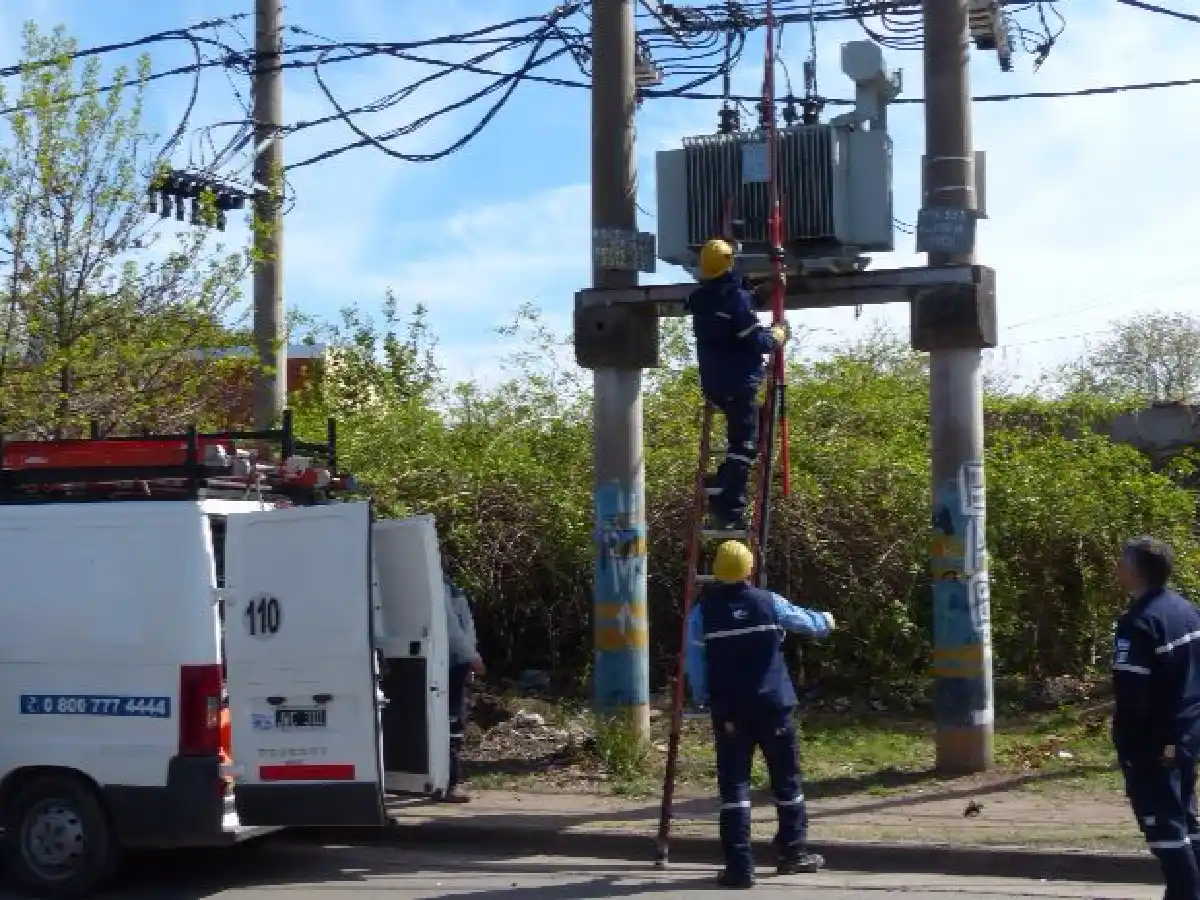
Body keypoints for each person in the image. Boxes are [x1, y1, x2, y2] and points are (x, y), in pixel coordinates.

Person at [684, 540, 835, 888]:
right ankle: (792, 852)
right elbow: (806, 622)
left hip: (731, 711)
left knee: (735, 787)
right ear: (750, 568)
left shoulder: (701, 614)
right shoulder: (770, 603)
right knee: (787, 781)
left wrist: (704, 698)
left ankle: (740, 866)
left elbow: (696, 663)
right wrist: (826, 621)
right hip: (773, 707)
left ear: (716, 574)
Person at [1112, 536, 1200, 899]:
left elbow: (1133, 697)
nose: (1116, 567)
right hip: (1186, 735)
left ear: (1135, 571)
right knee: (1184, 820)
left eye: (1121, 561)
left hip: (1155, 743)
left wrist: (1129, 748)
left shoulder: (1139, 624)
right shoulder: (1185, 610)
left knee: (1165, 831)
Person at [686, 237, 788, 532]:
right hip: (740, 383)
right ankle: (727, 507)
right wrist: (778, 335)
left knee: (743, 437)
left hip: (715, 384)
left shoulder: (699, 299)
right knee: (743, 445)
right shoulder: (735, 300)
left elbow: (735, 307)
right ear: (730, 263)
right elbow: (759, 342)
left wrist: (763, 292)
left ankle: (721, 481)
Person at [444, 575, 485, 803]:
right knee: (453, 723)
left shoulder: (447, 585)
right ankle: (450, 782)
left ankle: (450, 781)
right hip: (453, 663)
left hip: (457, 662)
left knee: (455, 722)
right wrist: (472, 656)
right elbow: (452, 628)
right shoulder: (440, 586)